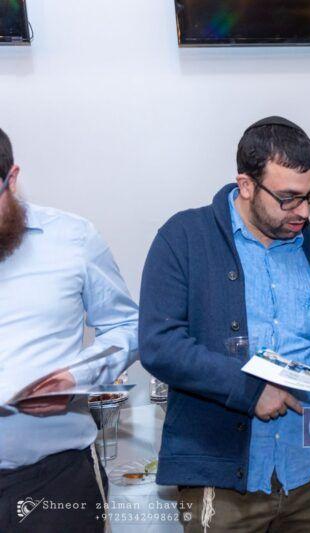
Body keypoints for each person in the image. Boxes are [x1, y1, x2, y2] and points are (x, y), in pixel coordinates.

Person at [139, 116, 310, 532]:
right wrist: (249, 389)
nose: (304, 211)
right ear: (246, 185)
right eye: (289, 198)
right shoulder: (184, 238)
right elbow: (159, 343)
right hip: (222, 477)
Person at [0, 127, 139, 533]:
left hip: (54, 481)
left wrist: (77, 377)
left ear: (12, 178)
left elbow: (127, 326)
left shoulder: (72, 239)